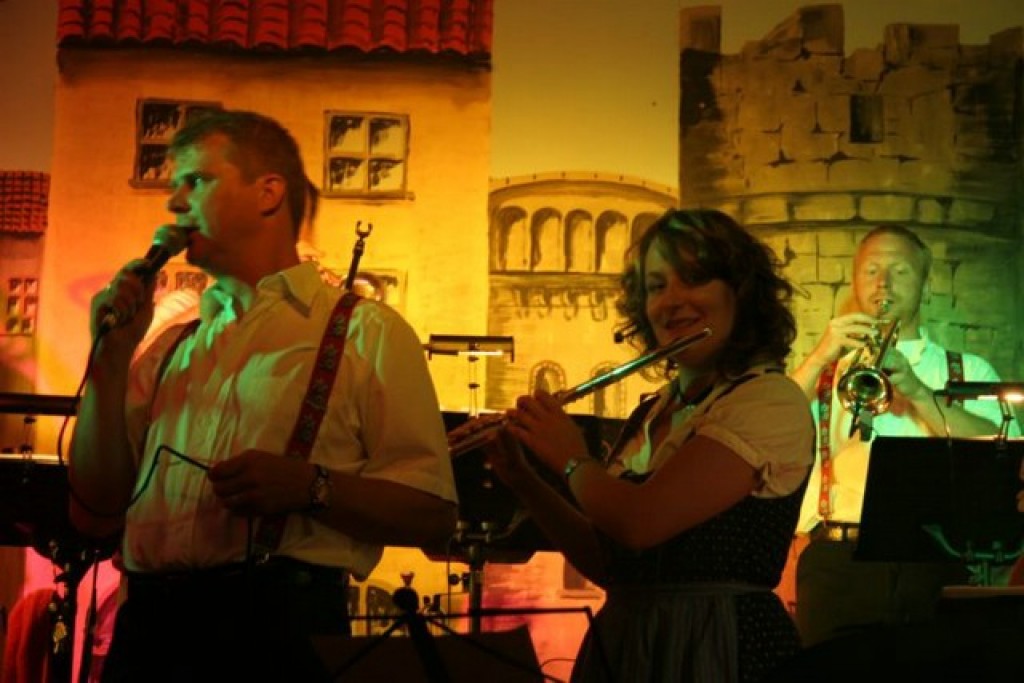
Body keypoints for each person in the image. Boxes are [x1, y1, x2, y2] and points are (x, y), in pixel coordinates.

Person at [68, 109, 458, 682]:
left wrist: (310, 487)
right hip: (149, 630)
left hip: (277, 631)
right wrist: (109, 359)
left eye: (196, 180)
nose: (174, 202)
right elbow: (93, 511)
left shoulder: (366, 332)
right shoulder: (171, 345)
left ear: (268, 193)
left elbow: (433, 515)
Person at [466, 208, 815, 682]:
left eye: (694, 279)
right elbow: (610, 563)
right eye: (655, 286)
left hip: (715, 644)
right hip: (630, 642)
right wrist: (523, 479)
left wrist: (571, 457)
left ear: (741, 292)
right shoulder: (652, 412)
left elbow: (639, 523)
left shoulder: (768, 400)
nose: (672, 301)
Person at [790, 224, 1017, 648]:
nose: (883, 283)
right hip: (838, 562)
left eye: (900, 271)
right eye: (871, 270)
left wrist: (918, 393)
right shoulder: (825, 371)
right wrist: (819, 357)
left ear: (926, 288)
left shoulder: (969, 370)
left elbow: (1000, 451)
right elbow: (766, 422)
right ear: (855, 284)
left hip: (937, 560)